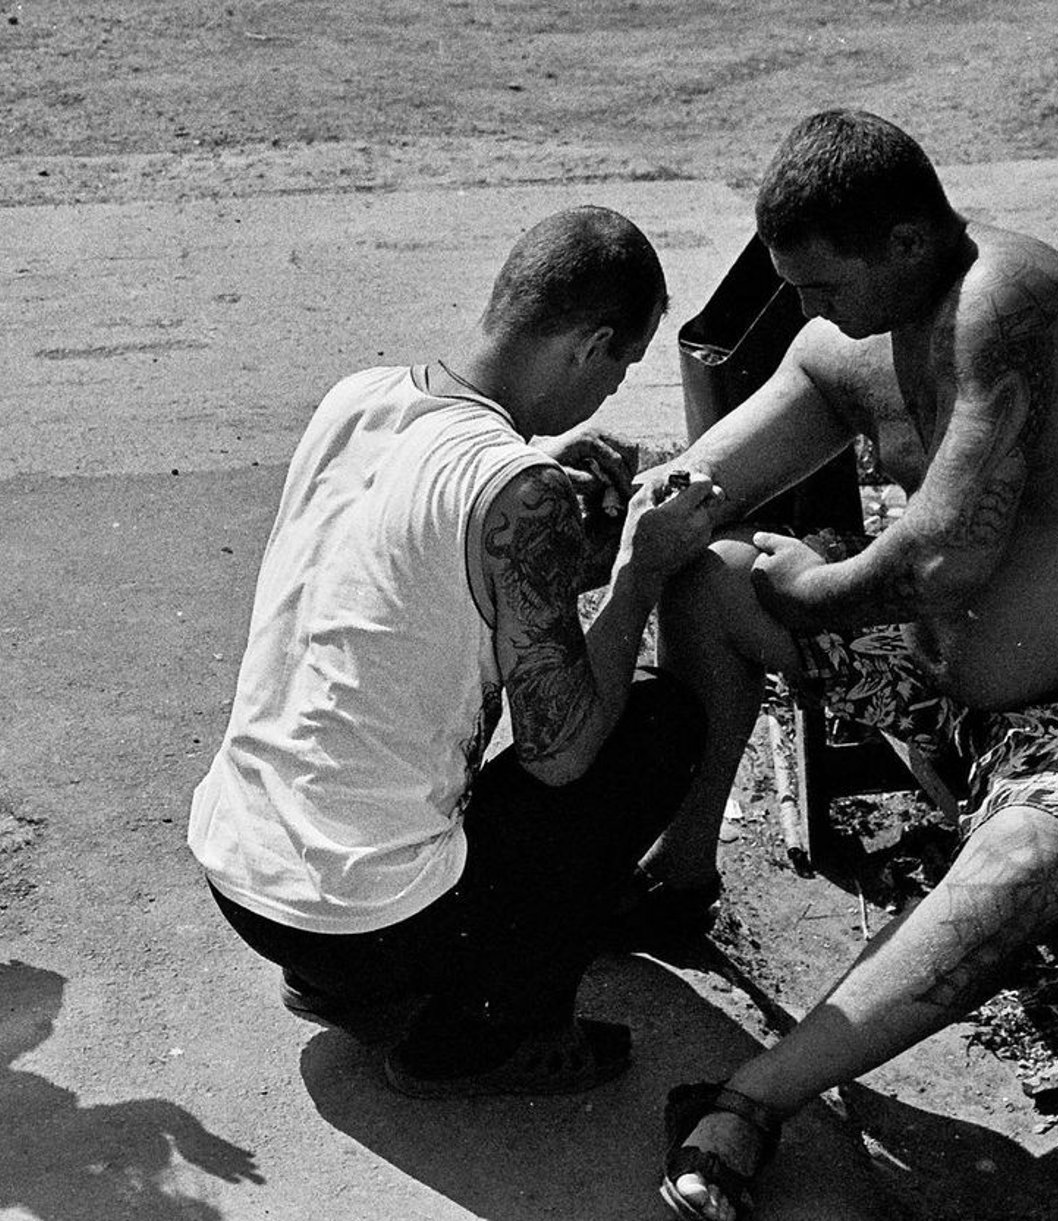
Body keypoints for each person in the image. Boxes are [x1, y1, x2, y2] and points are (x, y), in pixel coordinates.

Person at [643, 109, 1058, 1221]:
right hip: (958, 677)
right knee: (710, 578)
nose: (808, 312)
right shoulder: (851, 337)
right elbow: (698, 487)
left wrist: (810, 591)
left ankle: (752, 1099)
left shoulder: (1007, 301)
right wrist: (599, 499)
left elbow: (939, 555)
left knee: (1027, 859)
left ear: (907, 242)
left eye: (823, 286)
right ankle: (676, 881)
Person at [187, 205, 721, 1099]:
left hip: (244, 878)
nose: (610, 391)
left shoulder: (360, 398)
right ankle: (478, 1037)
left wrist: (544, 479)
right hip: (365, 921)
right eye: (620, 368)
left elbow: (423, 560)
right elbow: (563, 755)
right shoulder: (518, 489)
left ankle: (339, 983)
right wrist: (638, 572)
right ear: (592, 347)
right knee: (658, 724)